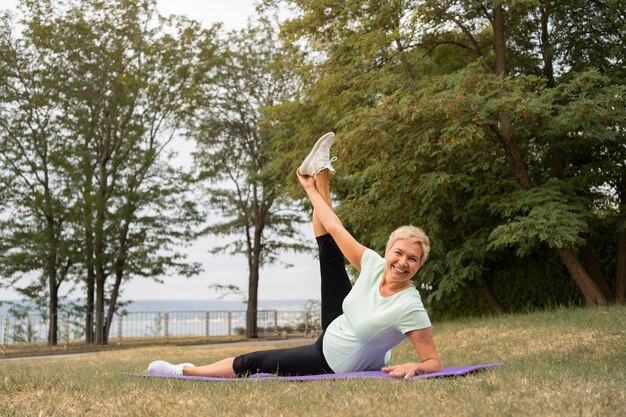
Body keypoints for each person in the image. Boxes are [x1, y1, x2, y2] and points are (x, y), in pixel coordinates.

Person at [148, 132, 442, 379]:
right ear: (388, 251)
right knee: (329, 246)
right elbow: (334, 226)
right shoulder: (375, 264)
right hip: (341, 319)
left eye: (412, 259)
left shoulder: (409, 307)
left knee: (255, 360)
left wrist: (415, 366)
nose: (402, 262)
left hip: (329, 358)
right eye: (398, 253)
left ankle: (186, 372)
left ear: (420, 265)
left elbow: (433, 362)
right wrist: (315, 187)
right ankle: (321, 168)